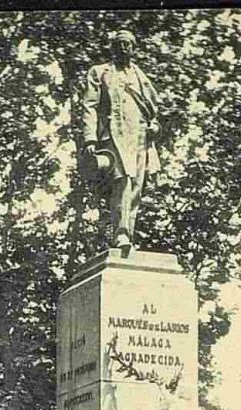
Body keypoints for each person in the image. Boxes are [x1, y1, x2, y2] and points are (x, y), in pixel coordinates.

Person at [82, 29, 161, 248]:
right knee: (123, 181)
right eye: (120, 44)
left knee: (136, 186)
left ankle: (128, 234)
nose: (124, 48)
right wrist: (90, 138)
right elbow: (90, 106)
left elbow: (153, 110)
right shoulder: (100, 72)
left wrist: (154, 126)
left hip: (140, 137)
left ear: (134, 48)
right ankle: (121, 233)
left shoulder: (140, 76)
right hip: (114, 136)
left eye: (128, 44)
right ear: (113, 48)